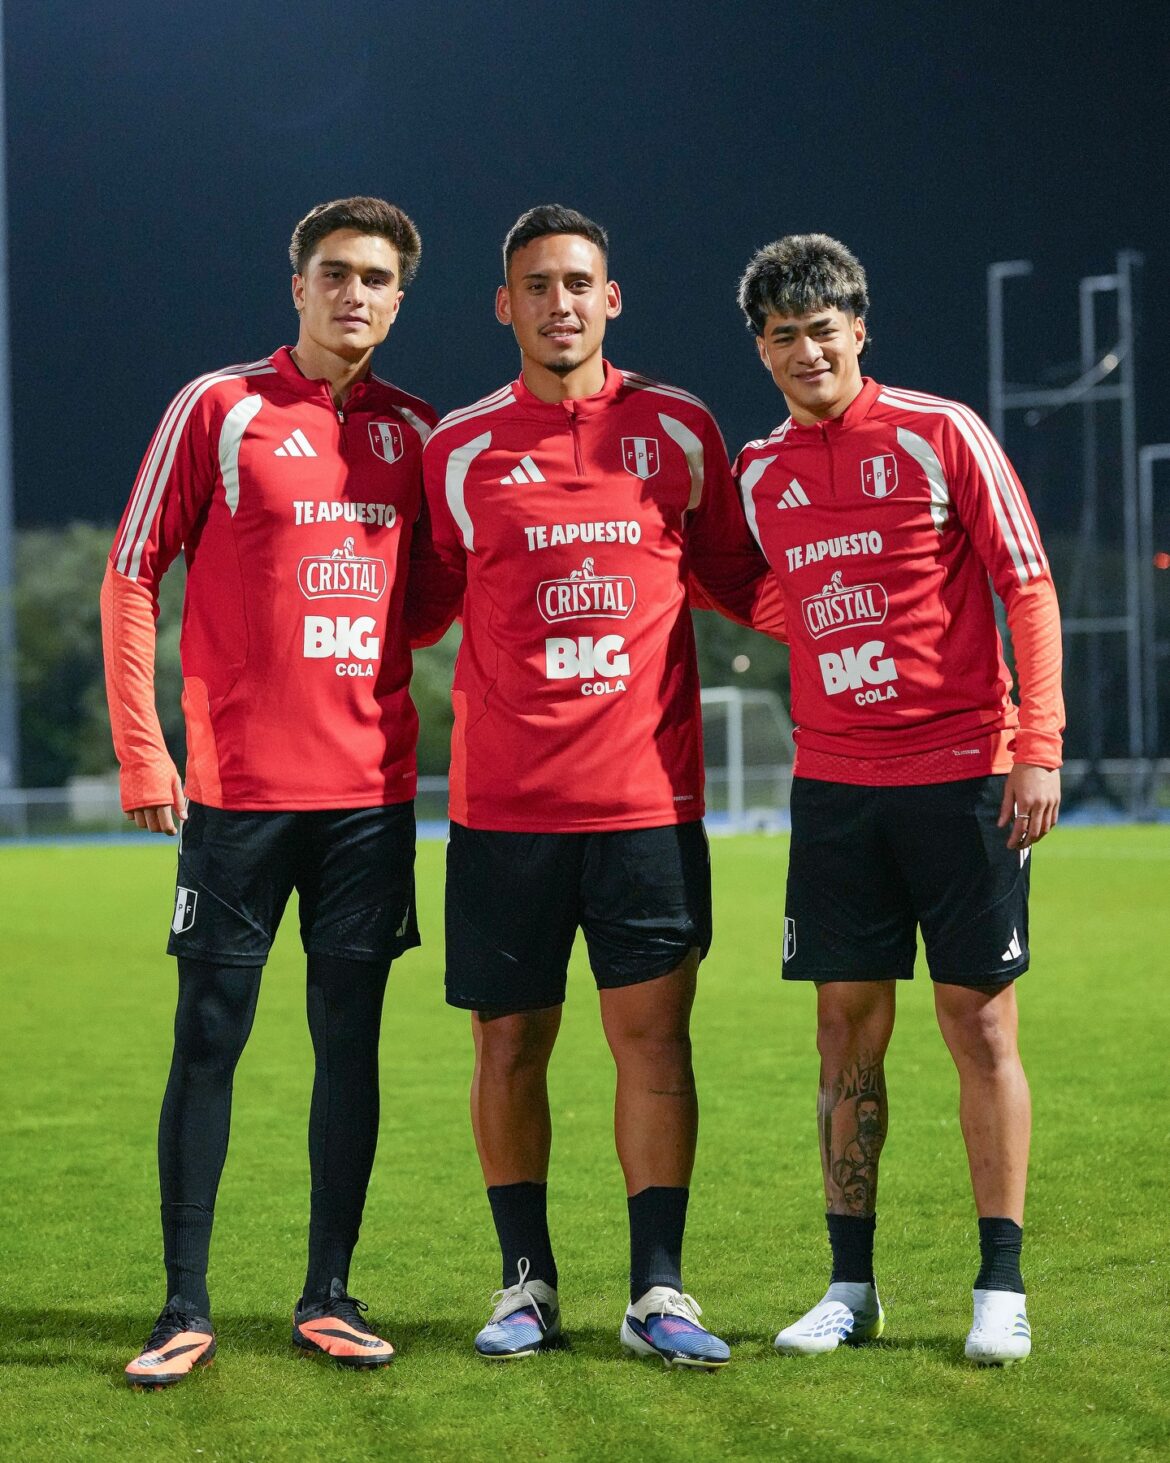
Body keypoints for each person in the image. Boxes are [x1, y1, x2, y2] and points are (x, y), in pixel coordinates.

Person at [421, 205, 782, 1369]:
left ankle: (658, 1291)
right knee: (507, 1048)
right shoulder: (460, 450)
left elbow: (738, 576)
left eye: (579, 282)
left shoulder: (678, 429)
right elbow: (415, 602)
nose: (560, 303)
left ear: (610, 298)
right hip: (502, 812)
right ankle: (525, 1281)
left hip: (648, 807)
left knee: (657, 1047)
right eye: (536, 285)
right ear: (505, 305)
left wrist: (868, 616)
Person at [102, 196, 443, 1387]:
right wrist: (148, 749)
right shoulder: (219, 406)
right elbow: (133, 569)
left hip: (370, 796)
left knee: (349, 1043)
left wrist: (376, 658)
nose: (357, 294)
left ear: (402, 300)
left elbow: (446, 588)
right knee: (210, 1037)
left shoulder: (418, 434)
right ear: (296, 284)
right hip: (239, 793)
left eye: (380, 279)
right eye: (337, 273)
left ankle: (328, 1292)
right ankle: (182, 1302)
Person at [730, 233, 1063, 1365]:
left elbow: (1025, 579)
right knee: (842, 1036)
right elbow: (769, 590)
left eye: (825, 329)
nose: (806, 350)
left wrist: (1039, 745)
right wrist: (831, 628)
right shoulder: (756, 470)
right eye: (783, 336)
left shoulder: (940, 430)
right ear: (763, 350)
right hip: (833, 787)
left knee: (978, 1023)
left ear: (859, 330)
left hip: (967, 774)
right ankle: (849, 1285)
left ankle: (1000, 1284)